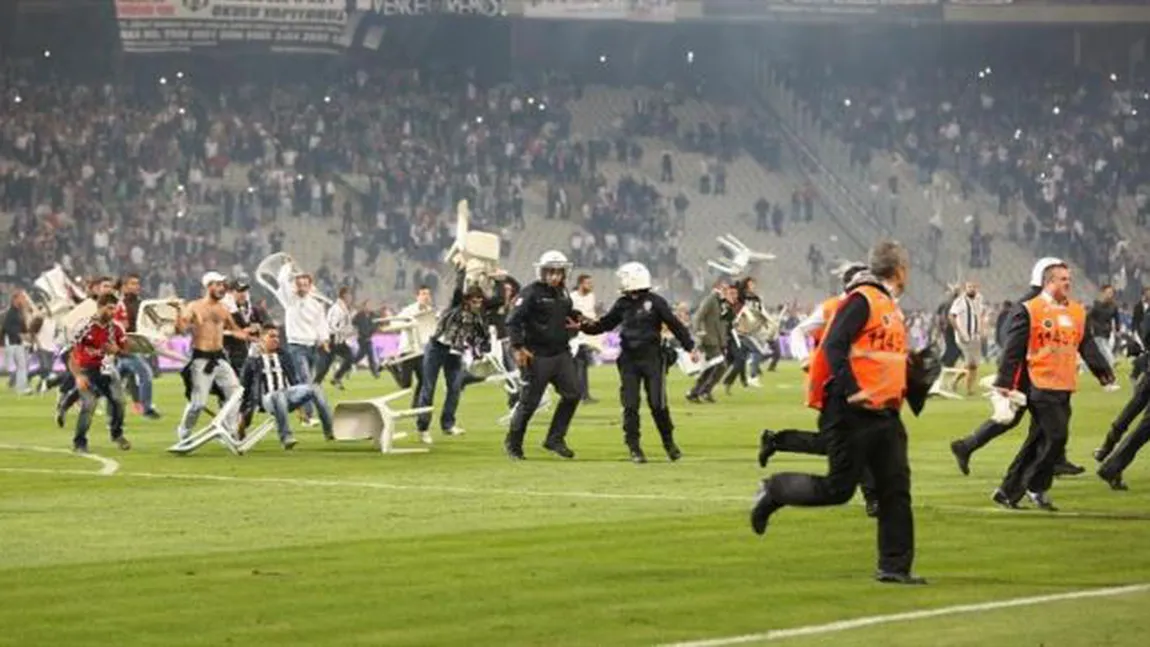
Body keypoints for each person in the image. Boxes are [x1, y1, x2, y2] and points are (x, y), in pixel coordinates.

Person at [750, 241, 933, 585]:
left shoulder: (889, 308)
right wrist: (852, 390)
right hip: (851, 410)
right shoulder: (862, 300)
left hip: (885, 412)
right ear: (900, 270)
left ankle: (894, 567)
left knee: (894, 489)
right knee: (839, 488)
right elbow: (833, 344)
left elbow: (885, 359)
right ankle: (773, 490)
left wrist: (916, 379)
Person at [760, 261, 880, 517]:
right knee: (858, 441)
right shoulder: (833, 307)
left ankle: (777, 441)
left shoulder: (869, 306)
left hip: (859, 383)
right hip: (835, 384)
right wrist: (804, 358)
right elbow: (798, 332)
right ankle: (873, 497)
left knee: (836, 443)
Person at [991, 261, 1113, 510]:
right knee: (1057, 437)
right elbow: (1013, 348)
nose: (1068, 283)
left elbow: (1085, 343)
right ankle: (1035, 485)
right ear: (1049, 282)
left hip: (1064, 384)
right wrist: (1004, 381)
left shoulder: (1077, 311)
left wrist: (1102, 372)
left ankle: (1007, 490)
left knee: (1038, 441)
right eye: (1062, 279)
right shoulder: (1031, 310)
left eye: (1069, 279)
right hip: (1040, 384)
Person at [949, 258, 1087, 477]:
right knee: (1028, 418)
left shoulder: (1038, 301)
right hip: (1029, 372)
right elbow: (1009, 338)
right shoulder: (1032, 304)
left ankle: (968, 447)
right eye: (1060, 277)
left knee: (1036, 419)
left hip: (1036, 371)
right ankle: (1041, 466)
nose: (1065, 284)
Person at [580, 262, 696, 463]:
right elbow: (604, 325)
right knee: (630, 405)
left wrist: (690, 346)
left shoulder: (656, 302)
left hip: (653, 358)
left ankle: (669, 443)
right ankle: (634, 447)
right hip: (629, 360)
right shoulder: (622, 303)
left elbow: (674, 324)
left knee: (658, 404)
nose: (621, 281)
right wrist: (582, 325)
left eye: (624, 277)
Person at [504, 250, 584, 460]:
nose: (555, 276)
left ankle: (554, 438)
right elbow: (513, 321)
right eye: (551, 272)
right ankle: (513, 443)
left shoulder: (563, 293)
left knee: (573, 394)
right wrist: (518, 347)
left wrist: (578, 318)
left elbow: (565, 314)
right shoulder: (530, 292)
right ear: (542, 271)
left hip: (561, 354)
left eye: (559, 272)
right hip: (537, 355)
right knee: (529, 403)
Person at [174, 272, 251, 442]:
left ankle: (228, 430)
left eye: (223, 285)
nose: (222, 288)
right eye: (217, 284)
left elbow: (235, 330)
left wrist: (249, 335)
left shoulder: (223, 309)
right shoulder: (194, 306)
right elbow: (181, 329)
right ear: (208, 286)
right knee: (198, 404)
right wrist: (179, 313)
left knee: (235, 393)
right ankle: (184, 431)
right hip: (201, 359)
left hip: (220, 358)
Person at [413, 284, 491, 443]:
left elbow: (482, 336)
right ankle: (423, 428)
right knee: (428, 388)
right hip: (436, 348)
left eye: (479, 302)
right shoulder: (455, 307)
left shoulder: (477, 318)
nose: (477, 305)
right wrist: (460, 271)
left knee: (455, 388)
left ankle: (448, 424)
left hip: (455, 352)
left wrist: (482, 348)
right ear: (467, 300)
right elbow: (457, 290)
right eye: (474, 301)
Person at [237, 327, 334, 449]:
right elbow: (245, 389)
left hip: (288, 394)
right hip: (267, 399)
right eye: (272, 336)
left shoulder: (284, 356)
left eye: (277, 336)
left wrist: (300, 408)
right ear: (262, 339)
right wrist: (243, 416)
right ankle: (286, 437)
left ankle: (330, 431)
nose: (276, 339)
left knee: (315, 388)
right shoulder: (253, 361)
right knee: (278, 395)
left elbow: (293, 381)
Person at [67, 294, 132, 453]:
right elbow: (70, 354)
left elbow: (127, 351)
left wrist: (118, 351)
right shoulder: (84, 326)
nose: (112, 312)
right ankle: (79, 442)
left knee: (119, 401)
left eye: (114, 309)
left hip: (106, 370)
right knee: (89, 404)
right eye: (109, 308)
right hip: (86, 370)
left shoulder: (116, 328)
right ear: (100, 306)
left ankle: (117, 435)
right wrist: (78, 376)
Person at [276, 260, 330, 423]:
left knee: (306, 381)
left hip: (312, 346)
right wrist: (288, 266)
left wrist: (324, 340)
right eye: (299, 284)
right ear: (295, 285)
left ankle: (295, 406)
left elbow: (321, 323)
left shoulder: (316, 305)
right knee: (306, 380)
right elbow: (282, 281)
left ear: (309, 286)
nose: (302, 287)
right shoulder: (289, 300)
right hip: (296, 346)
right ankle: (308, 415)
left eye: (305, 284)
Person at [113, 273, 161, 419]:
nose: (136, 286)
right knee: (145, 374)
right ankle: (146, 409)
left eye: (137, 283)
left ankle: (83, 397)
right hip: (125, 347)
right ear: (124, 287)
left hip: (133, 346)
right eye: (132, 283)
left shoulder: (141, 303)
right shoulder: (118, 305)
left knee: (113, 382)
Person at [687, 279, 732, 403]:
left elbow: (723, 321)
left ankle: (695, 392)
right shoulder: (710, 299)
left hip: (719, 340)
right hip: (710, 339)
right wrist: (698, 332)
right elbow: (697, 316)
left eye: (727, 288)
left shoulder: (723, 302)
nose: (726, 291)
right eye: (724, 288)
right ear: (717, 287)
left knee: (711, 368)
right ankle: (704, 391)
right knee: (721, 366)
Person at [224, 279, 268, 373]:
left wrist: (259, 328)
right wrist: (242, 331)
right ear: (231, 293)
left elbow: (266, 327)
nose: (243, 294)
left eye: (245, 291)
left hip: (254, 352)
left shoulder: (254, 310)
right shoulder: (225, 311)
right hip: (233, 352)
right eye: (239, 291)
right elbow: (220, 332)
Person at [948, 281, 984, 396]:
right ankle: (969, 390)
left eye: (974, 287)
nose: (972, 289)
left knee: (974, 365)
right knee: (970, 363)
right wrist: (959, 331)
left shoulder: (979, 299)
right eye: (969, 287)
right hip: (964, 337)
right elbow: (951, 316)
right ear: (965, 288)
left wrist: (981, 329)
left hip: (975, 336)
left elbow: (979, 315)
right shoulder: (960, 301)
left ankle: (954, 381)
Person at [317, 286, 355, 389]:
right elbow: (331, 325)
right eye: (349, 295)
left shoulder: (343, 308)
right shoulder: (336, 308)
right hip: (332, 339)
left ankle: (336, 378)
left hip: (339, 339)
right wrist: (342, 331)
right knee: (325, 365)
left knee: (350, 357)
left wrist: (348, 331)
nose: (351, 297)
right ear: (344, 295)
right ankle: (316, 384)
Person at [571, 274, 599, 403]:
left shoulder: (591, 297)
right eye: (588, 283)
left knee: (582, 366)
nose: (591, 285)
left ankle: (583, 394)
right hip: (576, 337)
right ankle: (582, 395)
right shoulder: (572, 297)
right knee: (580, 365)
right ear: (581, 284)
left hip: (587, 336)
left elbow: (591, 314)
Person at [1087, 284, 1120, 390]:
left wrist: (1117, 330)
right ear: (1102, 293)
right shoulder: (1096, 305)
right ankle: (1110, 380)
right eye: (1108, 292)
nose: (1110, 295)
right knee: (1106, 356)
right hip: (1097, 333)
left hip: (1108, 333)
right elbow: (1088, 317)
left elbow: (1117, 319)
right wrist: (1091, 327)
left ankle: (1108, 381)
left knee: (1106, 355)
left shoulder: (1114, 306)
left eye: (1111, 293)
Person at [3, 290, 32, 395]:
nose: (24, 300)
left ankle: (21, 387)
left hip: (17, 342)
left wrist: (25, 334)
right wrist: (19, 334)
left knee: (22, 366)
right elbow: (6, 327)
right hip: (12, 342)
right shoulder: (10, 313)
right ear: (15, 299)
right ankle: (21, 388)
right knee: (21, 366)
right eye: (22, 298)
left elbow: (22, 326)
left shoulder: (18, 312)